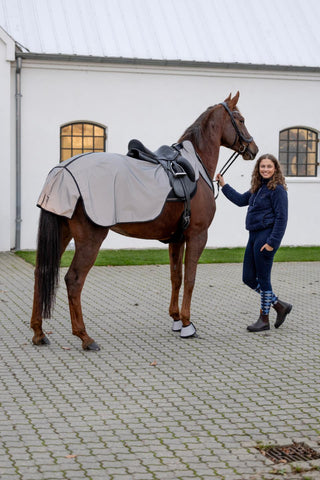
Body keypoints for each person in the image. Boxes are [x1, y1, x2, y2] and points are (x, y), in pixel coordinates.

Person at [216, 154, 292, 332]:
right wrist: (224, 185)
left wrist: (272, 243)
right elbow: (241, 200)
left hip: (266, 238)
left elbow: (282, 219)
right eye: (262, 166)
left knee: (264, 280)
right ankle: (279, 306)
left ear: (275, 169)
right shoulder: (257, 188)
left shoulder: (278, 190)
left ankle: (264, 319)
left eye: (269, 166)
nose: (265, 169)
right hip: (253, 236)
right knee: (248, 278)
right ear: (258, 169)